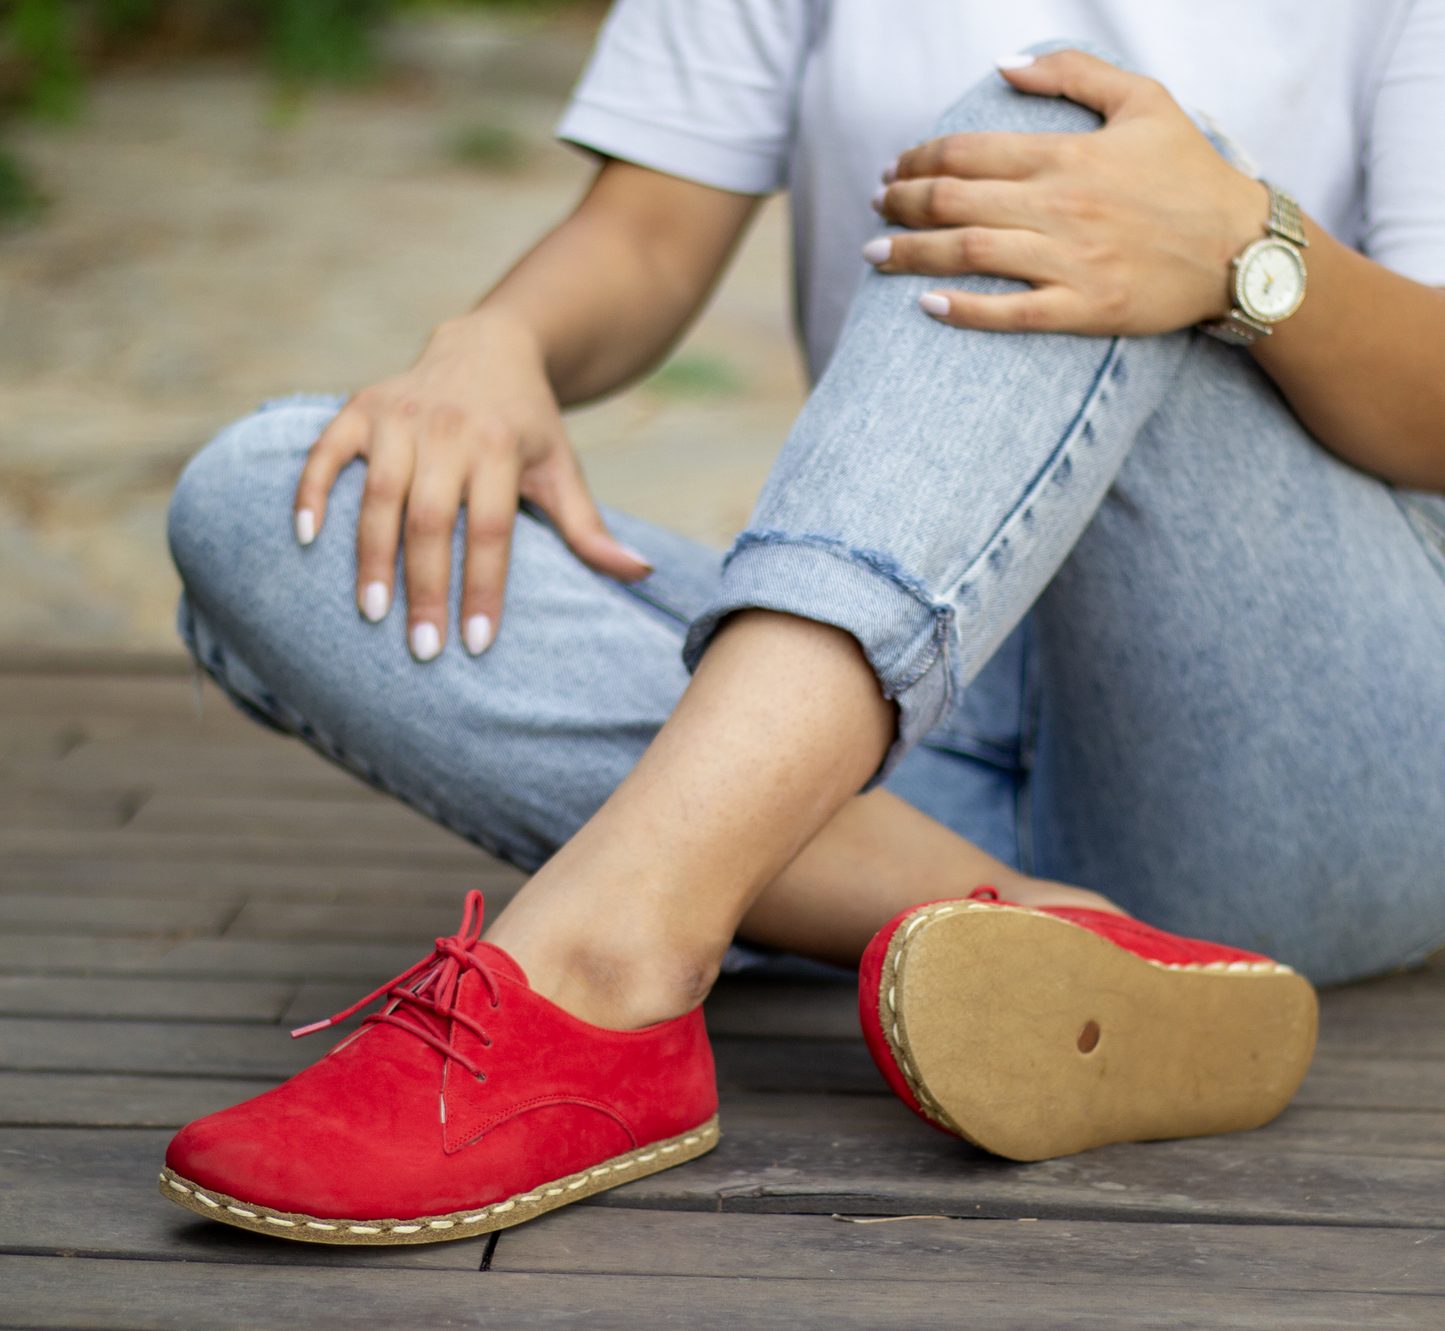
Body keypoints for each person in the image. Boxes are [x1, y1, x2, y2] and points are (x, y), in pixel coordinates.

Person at [157, 2, 1445, 1244]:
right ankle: (1002, 916)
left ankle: (613, 959)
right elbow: (652, 232)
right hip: (911, 702)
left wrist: (1242, 251)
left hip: (1302, 740)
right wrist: (498, 341)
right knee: (279, 496)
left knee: (1052, 135)